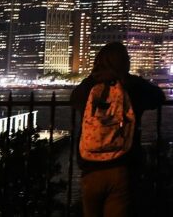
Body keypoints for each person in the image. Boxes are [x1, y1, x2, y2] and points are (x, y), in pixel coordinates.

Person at [71, 42, 165, 217]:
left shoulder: (88, 87)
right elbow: (159, 97)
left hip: (91, 169)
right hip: (122, 167)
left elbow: (74, 100)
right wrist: (126, 79)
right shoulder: (132, 86)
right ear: (124, 62)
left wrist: (95, 77)